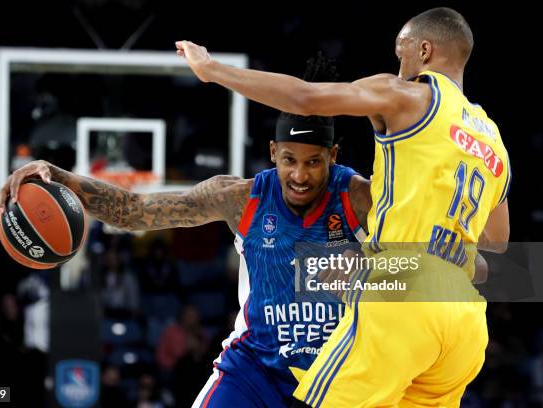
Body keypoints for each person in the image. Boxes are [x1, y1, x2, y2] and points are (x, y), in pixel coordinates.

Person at [175, 7, 511, 407]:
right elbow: (497, 240)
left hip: (404, 292)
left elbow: (305, 98)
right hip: (465, 319)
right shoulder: (493, 141)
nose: (399, 65)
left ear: (424, 49)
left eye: (401, 52)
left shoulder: (410, 94)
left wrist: (212, 69)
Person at [0, 55, 372, 407]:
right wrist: (63, 179)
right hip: (254, 370)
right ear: (273, 152)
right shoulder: (242, 199)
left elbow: (427, 272)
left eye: (314, 163)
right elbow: (135, 211)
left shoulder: (360, 198)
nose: (300, 175)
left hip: (339, 376)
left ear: (333, 157)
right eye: (290, 160)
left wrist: (369, 270)